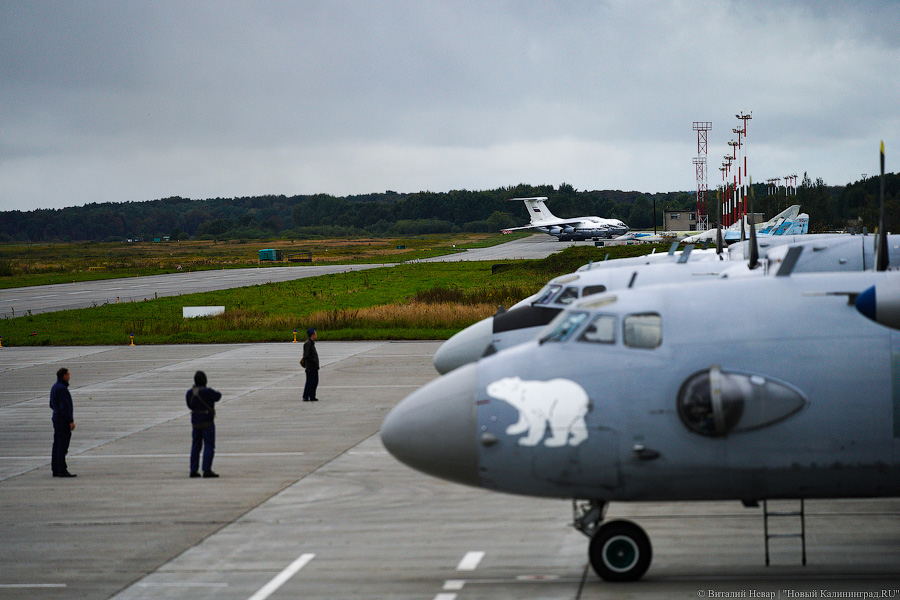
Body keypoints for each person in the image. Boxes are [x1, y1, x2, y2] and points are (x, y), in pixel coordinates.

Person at [186, 370, 222, 478]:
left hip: (195, 422)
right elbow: (218, 396)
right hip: (207, 422)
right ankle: (206, 470)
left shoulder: (190, 393)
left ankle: (193, 470)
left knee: (196, 446)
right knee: (209, 445)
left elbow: (189, 405)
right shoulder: (207, 391)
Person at [50, 367, 76, 477]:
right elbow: (65, 406)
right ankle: (62, 469)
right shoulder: (62, 389)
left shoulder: (55, 387)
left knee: (56, 444)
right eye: (68, 374)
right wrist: (70, 420)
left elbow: (51, 404)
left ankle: (55, 468)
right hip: (62, 420)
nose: (69, 376)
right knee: (62, 445)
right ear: (64, 376)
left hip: (56, 418)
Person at [302, 327, 320, 402]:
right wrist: (313, 361)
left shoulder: (311, 343)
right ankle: (306, 396)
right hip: (310, 367)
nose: (316, 335)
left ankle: (312, 395)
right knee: (310, 382)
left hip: (314, 367)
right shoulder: (308, 344)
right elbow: (307, 356)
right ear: (312, 335)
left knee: (314, 381)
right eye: (315, 334)